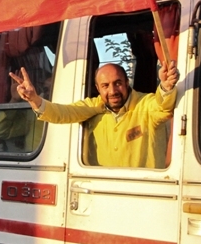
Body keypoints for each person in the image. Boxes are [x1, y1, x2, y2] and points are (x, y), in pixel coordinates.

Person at [10, 59, 178, 168]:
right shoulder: (94, 106)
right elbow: (61, 113)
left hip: (146, 194)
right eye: (105, 86)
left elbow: (163, 107)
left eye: (118, 83)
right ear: (98, 88)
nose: (113, 91)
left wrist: (165, 87)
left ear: (127, 83)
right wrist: (33, 99)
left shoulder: (145, 104)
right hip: (102, 192)